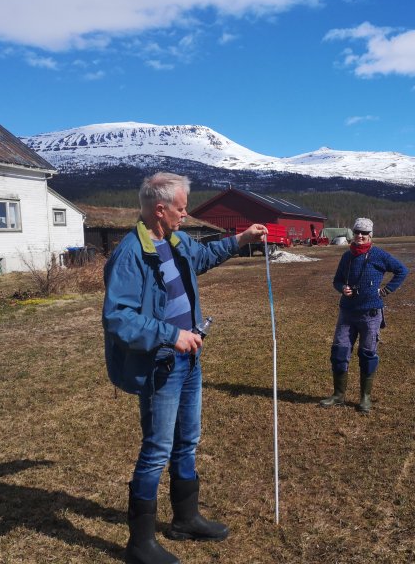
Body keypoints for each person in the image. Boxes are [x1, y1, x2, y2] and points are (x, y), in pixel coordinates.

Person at [102, 172, 267, 564]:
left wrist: (241, 239)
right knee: (157, 449)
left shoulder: (175, 240)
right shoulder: (131, 253)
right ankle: (140, 544)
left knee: (187, 441)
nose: (186, 213)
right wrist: (169, 336)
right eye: (181, 207)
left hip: (189, 360)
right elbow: (118, 318)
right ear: (160, 210)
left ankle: (185, 518)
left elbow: (203, 256)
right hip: (162, 364)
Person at [320, 218, 408, 414]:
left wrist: (386, 290)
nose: (360, 236)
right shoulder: (346, 257)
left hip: (370, 314)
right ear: (353, 233)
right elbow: (337, 280)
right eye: (358, 232)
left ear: (370, 236)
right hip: (347, 313)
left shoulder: (379, 255)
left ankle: (365, 398)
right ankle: (338, 395)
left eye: (365, 233)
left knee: (367, 354)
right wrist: (342, 288)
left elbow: (402, 270)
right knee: (339, 352)